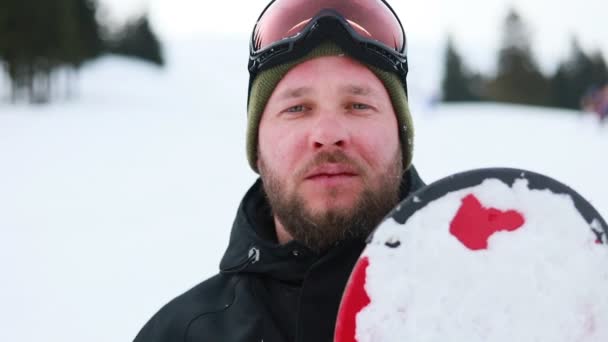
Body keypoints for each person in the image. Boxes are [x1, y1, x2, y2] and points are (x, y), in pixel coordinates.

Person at [133, 0, 425, 341]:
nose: (328, 135)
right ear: (257, 146)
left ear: (401, 137)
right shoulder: (179, 335)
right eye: (297, 108)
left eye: (358, 105)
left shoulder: (485, 304)